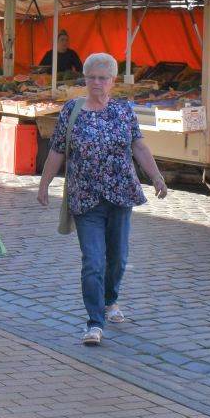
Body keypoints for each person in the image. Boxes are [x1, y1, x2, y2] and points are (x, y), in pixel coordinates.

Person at [36, 52, 169, 345]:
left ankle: (110, 300)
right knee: (93, 261)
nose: (97, 83)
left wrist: (156, 176)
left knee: (118, 259)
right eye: (91, 77)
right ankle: (94, 322)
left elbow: (139, 147)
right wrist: (44, 184)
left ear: (113, 81)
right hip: (85, 197)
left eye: (103, 78)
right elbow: (57, 149)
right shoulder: (71, 110)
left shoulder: (123, 111)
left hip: (121, 194)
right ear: (84, 79)